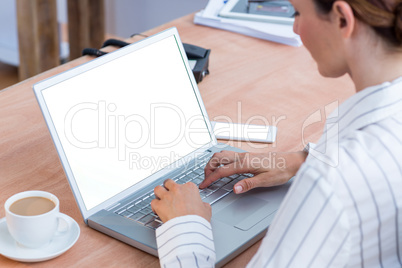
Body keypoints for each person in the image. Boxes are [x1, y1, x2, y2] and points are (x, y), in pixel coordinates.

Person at [150, 0, 402, 266]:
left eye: (298, 12)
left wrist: (186, 226)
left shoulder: (333, 184)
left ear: (342, 19)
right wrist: (303, 159)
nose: (295, 28)